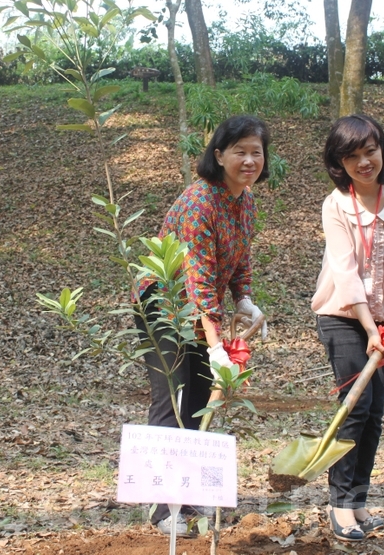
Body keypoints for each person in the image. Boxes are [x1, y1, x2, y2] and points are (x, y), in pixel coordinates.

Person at [133, 115, 270, 535]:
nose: (249, 160)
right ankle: (162, 510)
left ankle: (187, 499)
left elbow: (239, 257)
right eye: (240, 151)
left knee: (198, 401)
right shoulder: (199, 202)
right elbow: (197, 280)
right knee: (172, 399)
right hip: (166, 305)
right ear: (218, 155)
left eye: (256, 152)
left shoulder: (244, 200)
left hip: (200, 309)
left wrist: (244, 299)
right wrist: (214, 347)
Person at [311, 114, 384, 542]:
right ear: (339, 163)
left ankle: (359, 502)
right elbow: (344, 274)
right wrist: (369, 326)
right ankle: (339, 506)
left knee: (375, 413)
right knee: (354, 407)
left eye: (370, 151)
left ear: (382, 149)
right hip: (342, 317)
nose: (365, 162)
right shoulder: (335, 205)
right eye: (353, 156)